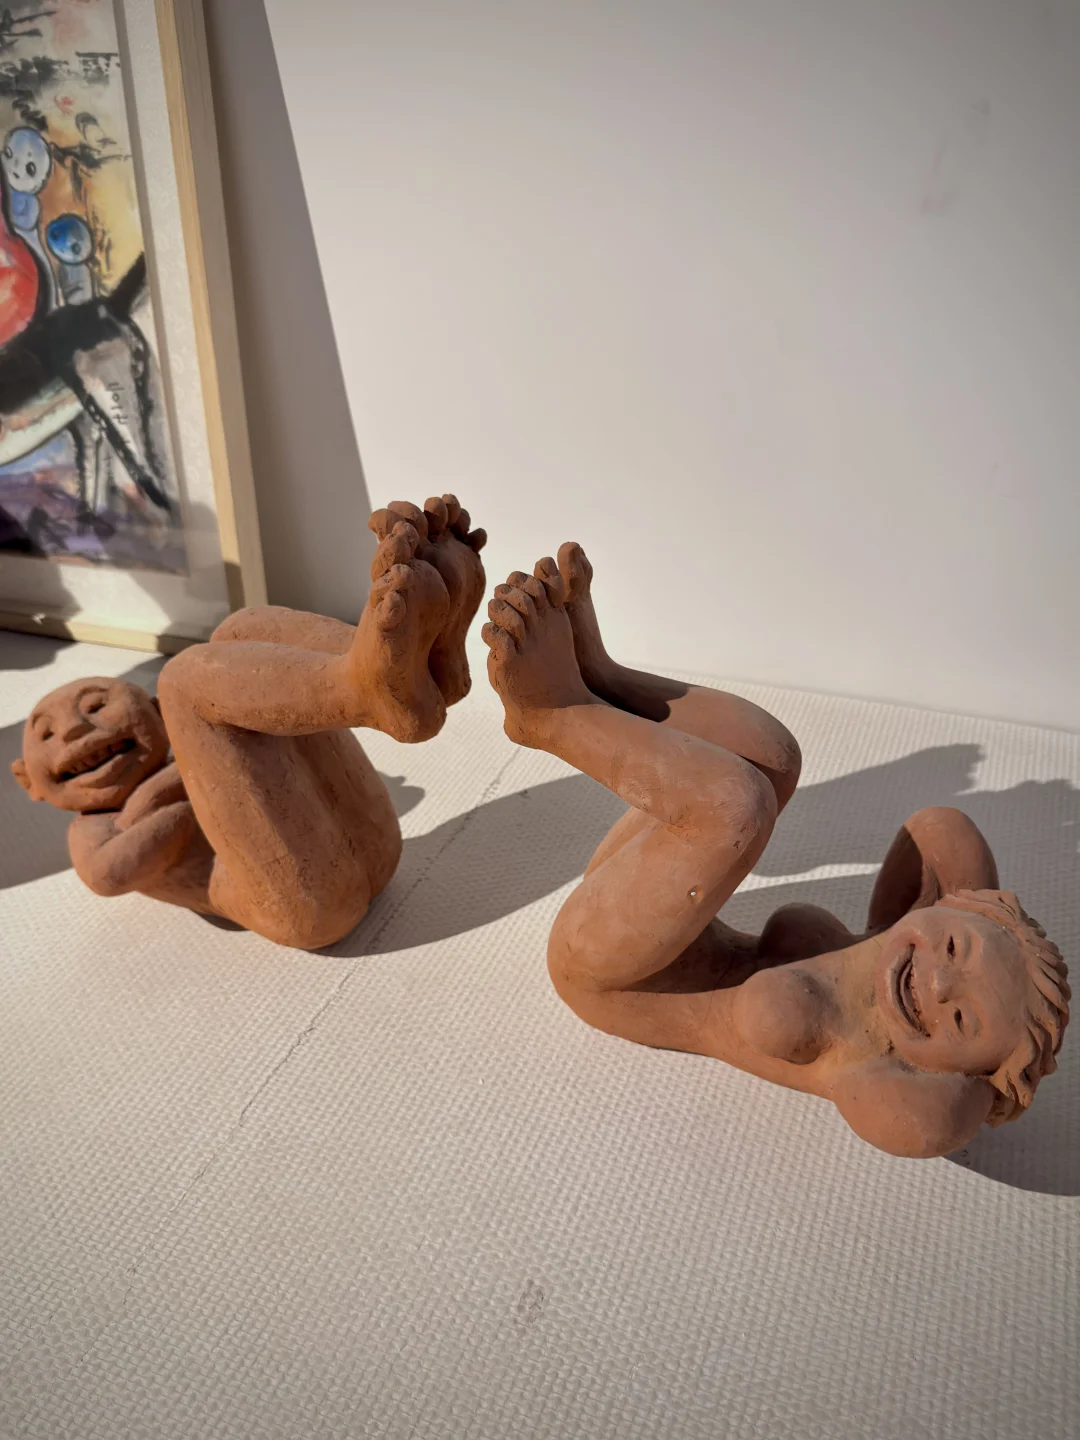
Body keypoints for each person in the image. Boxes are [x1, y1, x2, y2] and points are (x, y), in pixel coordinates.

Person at [481, 542, 1070, 1159]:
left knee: (737, 807)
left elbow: (933, 1127)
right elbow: (942, 829)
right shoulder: (903, 937)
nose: (941, 983)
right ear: (949, 909)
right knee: (774, 757)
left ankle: (550, 715)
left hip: (605, 971)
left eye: (961, 1022)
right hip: (645, 911)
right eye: (952, 947)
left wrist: (995, 1086)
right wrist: (984, 920)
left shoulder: (872, 1068)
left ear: (961, 1073)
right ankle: (604, 680)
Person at [12, 497, 486, 949]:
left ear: (155, 715)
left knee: (240, 629)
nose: (75, 731)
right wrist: (175, 795)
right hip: (300, 906)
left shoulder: (198, 761)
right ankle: (366, 687)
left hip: (375, 845)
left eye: (97, 706)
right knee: (185, 679)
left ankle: (414, 671)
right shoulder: (92, 827)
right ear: (27, 781)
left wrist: (180, 785)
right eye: (46, 733)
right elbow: (110, 874)